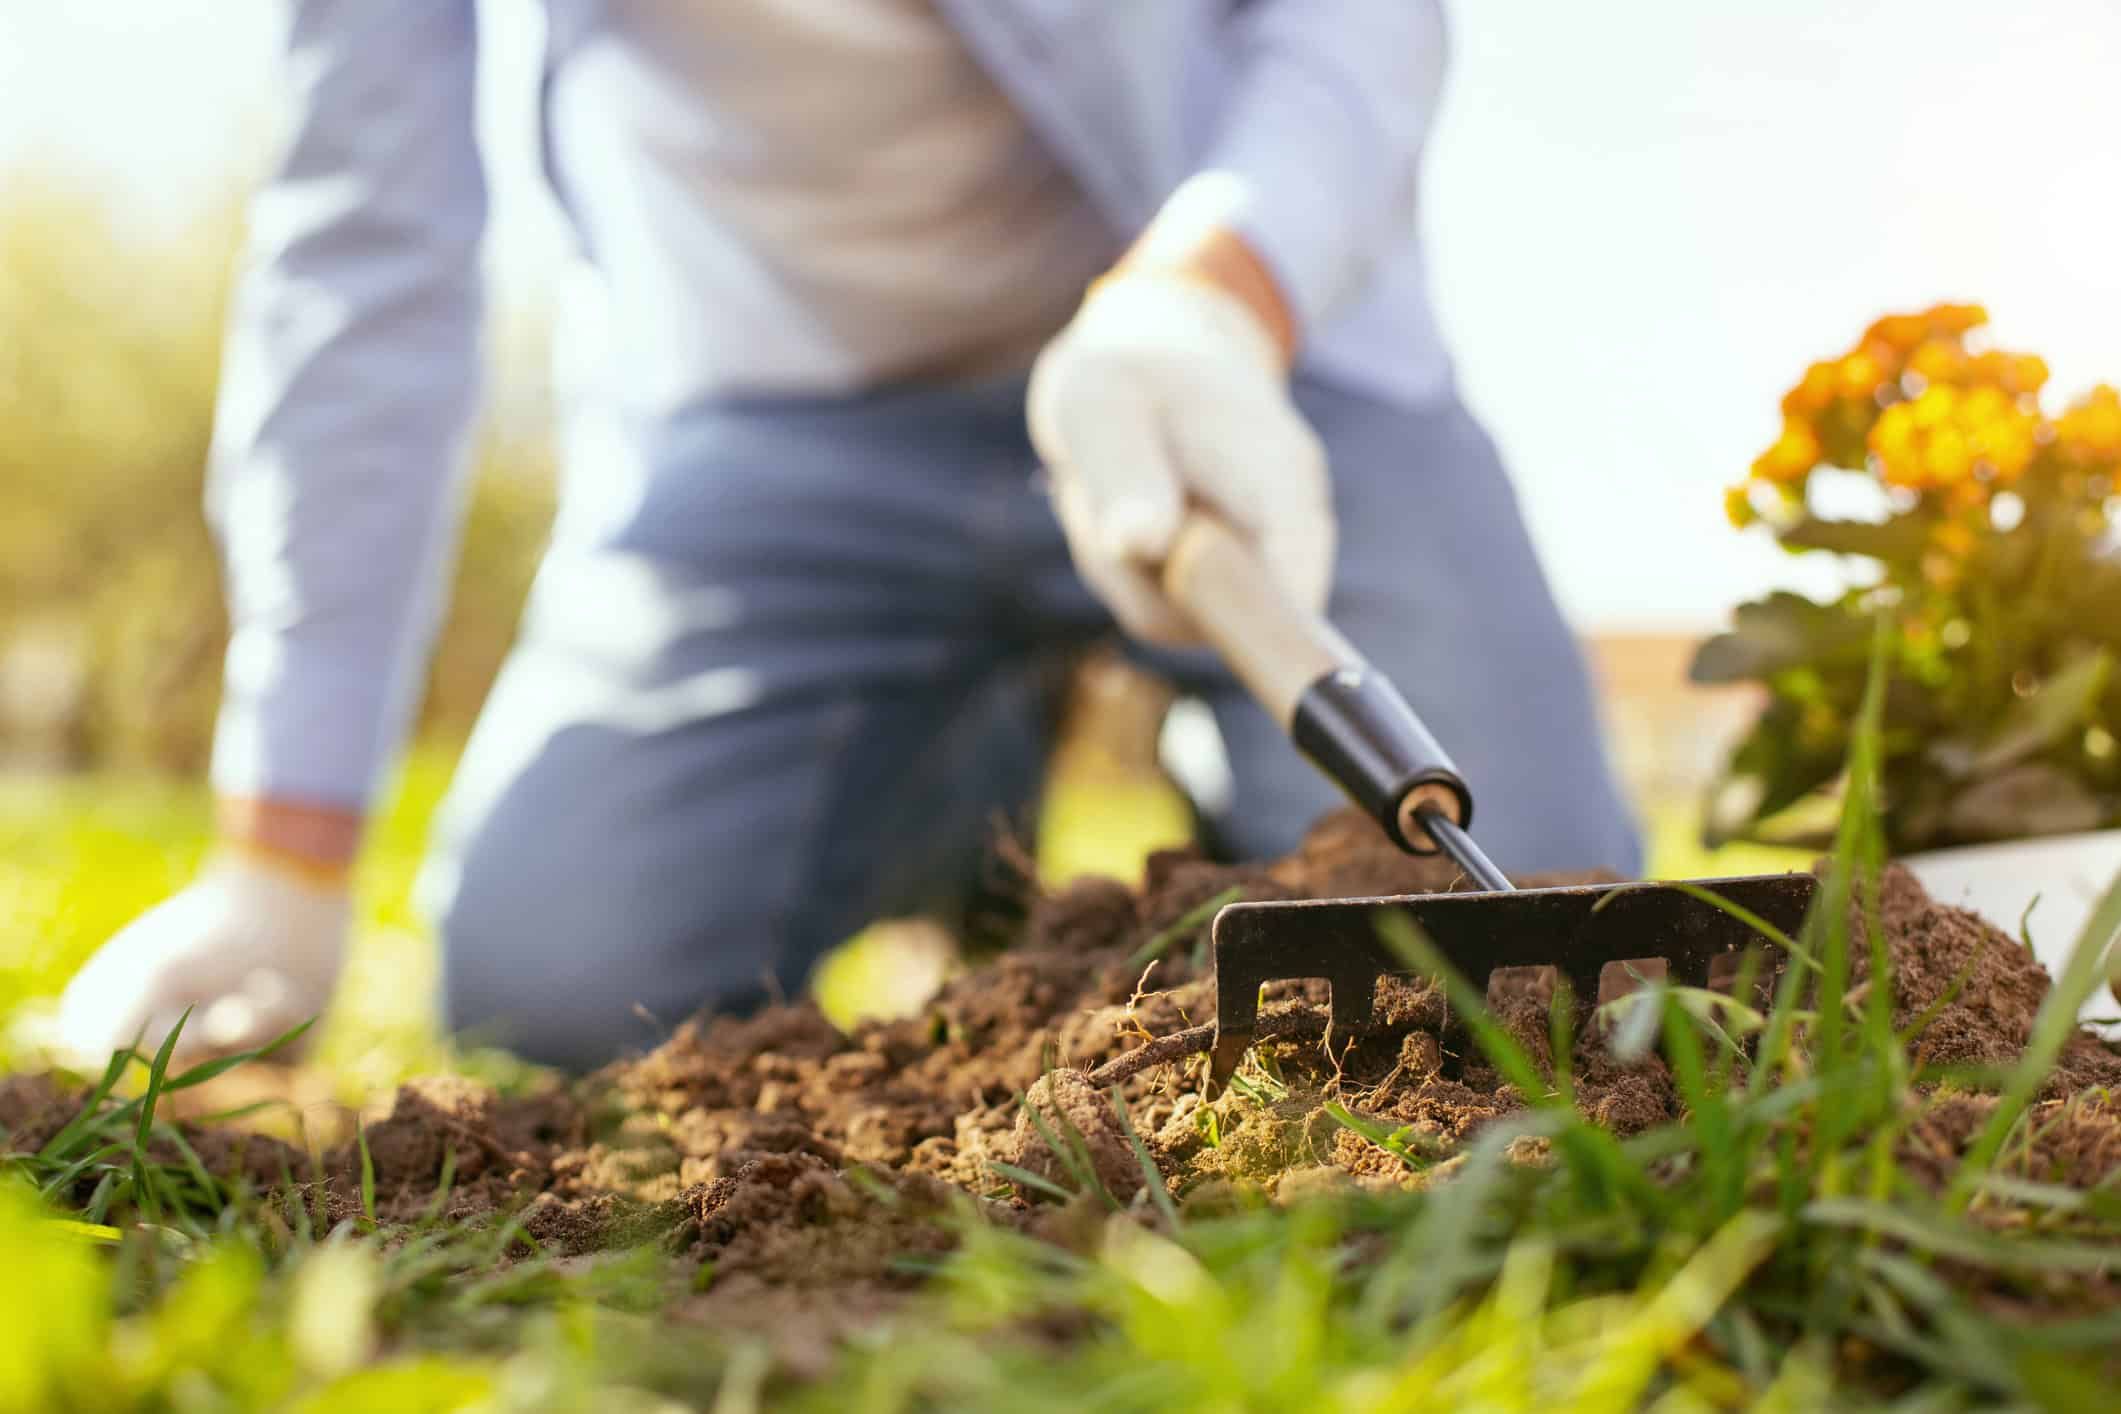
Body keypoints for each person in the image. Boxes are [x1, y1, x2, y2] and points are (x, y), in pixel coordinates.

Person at [56, 0, 1640, 1072]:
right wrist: (285, 853)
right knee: (555, 986)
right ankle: (960, 764)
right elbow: (367, 239)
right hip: (792, 420)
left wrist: (1213, 294)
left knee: (1512, 950)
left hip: (1236, 359)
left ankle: (1195, 749)